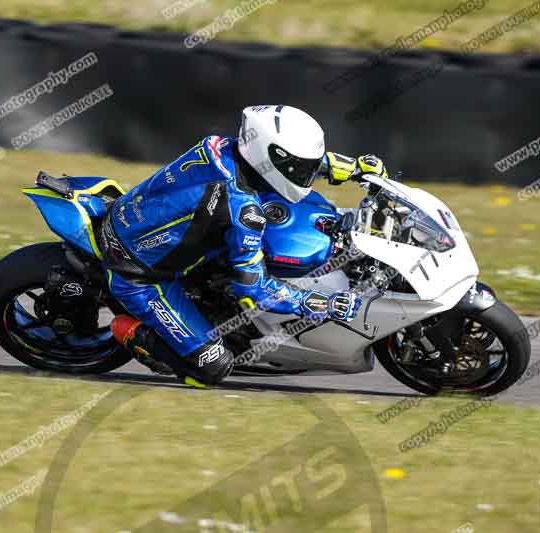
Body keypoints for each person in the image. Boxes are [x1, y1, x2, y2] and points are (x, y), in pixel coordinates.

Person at [98, 105, 388, 387]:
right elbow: (253, 291)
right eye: (300, 168)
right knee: (213, 367)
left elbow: (288, 163)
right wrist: (323, 303)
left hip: (135, 217)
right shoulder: (242, 210)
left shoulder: (224, 146)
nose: (306, 175)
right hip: (138, 275)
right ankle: (133, 333)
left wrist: (353, 168)